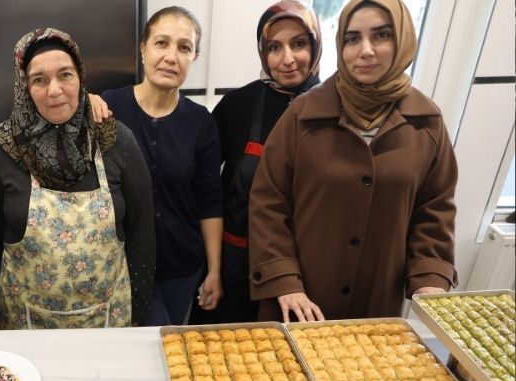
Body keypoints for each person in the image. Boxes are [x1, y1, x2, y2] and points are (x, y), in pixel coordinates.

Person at [249, 0, 458, 323]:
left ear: (402, 40)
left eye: (381, 35)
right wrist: (284, 280)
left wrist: (429, 280)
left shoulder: (426, 122)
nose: (366, 50)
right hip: (300, 301)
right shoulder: (303, 114)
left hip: (376, 300)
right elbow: (268, 203)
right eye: (353, 38)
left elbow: (434, 211)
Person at [0, 28, 155, 329]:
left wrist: (139, 315)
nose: (54, 90)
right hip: (26, 323)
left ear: (80, 77)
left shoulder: (115, 139)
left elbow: (142, 235)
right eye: (39, 80)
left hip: (109, 320)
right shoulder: (1, 146)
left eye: (65, 75)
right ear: (24, 87)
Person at [191, 1, 322, 325]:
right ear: (262, 52)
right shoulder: (238, 105)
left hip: (305, 271)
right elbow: (205, 187)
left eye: (299, 44)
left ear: (316, 45)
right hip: (236, 268)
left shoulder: (332, 109)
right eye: (275, 47)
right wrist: (213, 269)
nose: (287, 59)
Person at [102, 7, 223, 326]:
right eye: (161, 43)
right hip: (120, 265)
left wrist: (214, 270)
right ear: (143, 49)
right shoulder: (108, 108)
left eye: (184, 47)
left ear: (194, 57)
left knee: (170, 345)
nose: (171, 57)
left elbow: (210, 201)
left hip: (181, 268)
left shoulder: (201, 122)